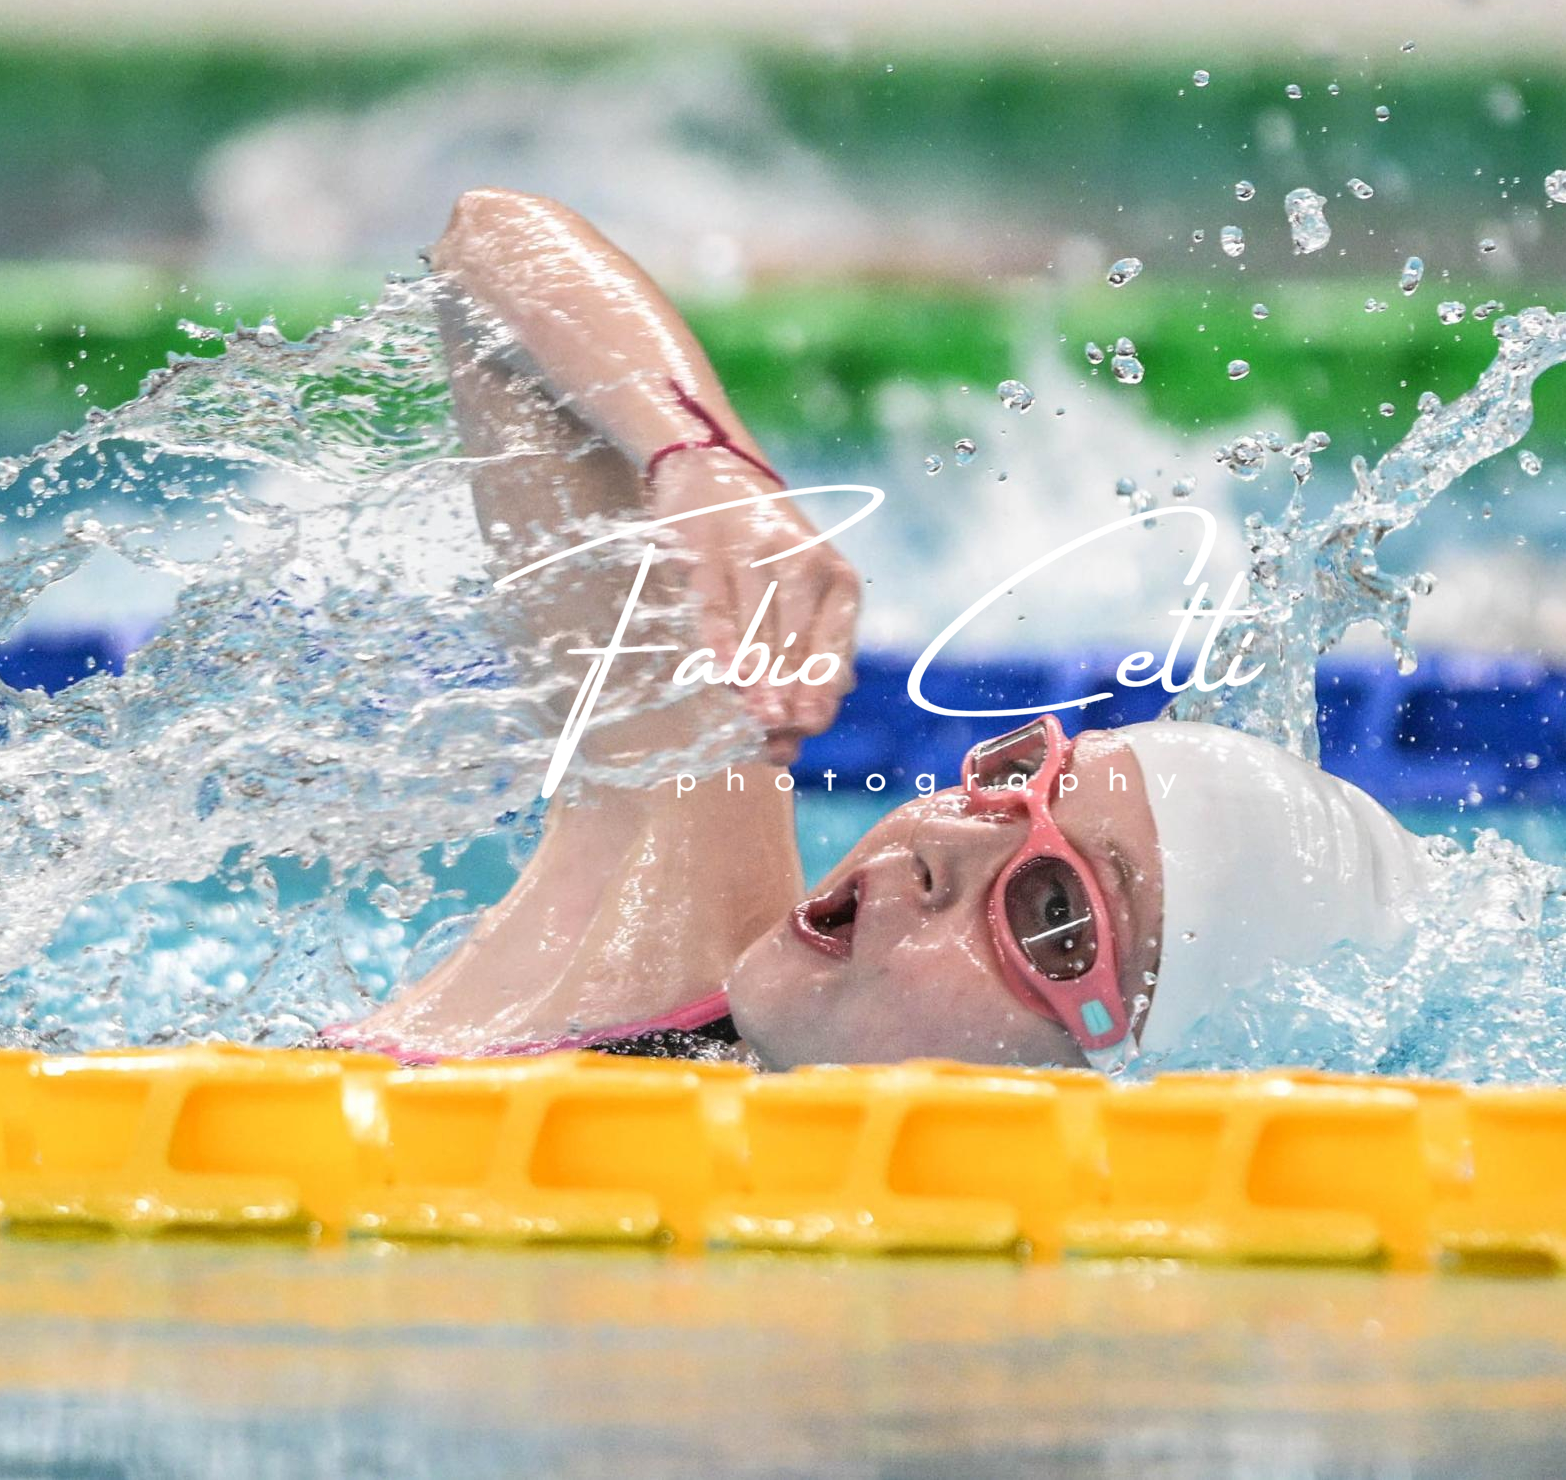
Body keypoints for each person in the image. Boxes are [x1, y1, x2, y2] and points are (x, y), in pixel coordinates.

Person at [328, 190, 1430, 1073]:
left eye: (1052, 913)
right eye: (1011, 782)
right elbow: (493, 242)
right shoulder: (662, 936)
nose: (942, 843)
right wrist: (704, 460)